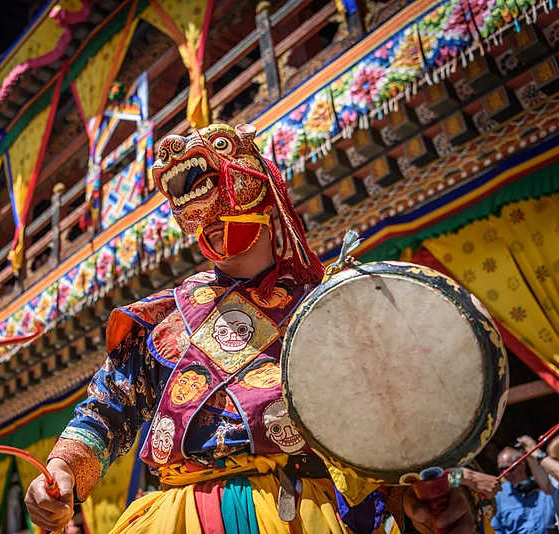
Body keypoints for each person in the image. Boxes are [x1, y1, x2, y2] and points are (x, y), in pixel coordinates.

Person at [24, 123, 478, 533]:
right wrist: (64, 469)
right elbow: (107, 411)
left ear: (260, 183)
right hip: (174, 516)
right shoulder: (164, 316)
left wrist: (413, 498)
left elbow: (384, 428)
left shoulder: (330, 307)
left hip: (300, 512)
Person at [491, 446, 555, 534]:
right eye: (501, 470)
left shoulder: (544, 488)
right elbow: (496, 529)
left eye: (509, 469)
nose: (505, 474)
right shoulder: (499, 496)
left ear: (522, 464)